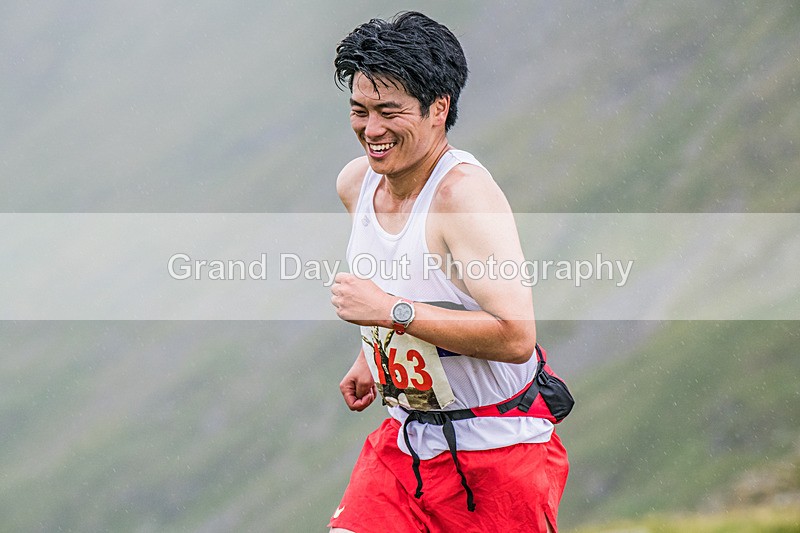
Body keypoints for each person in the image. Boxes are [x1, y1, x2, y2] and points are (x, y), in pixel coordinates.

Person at [328, 11, 568, 533]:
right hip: (405, 444)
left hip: (496, 454)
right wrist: (373, 355)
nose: (371, 130)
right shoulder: (357, 184)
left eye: (389, 112)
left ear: (439, 108)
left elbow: (515, 336)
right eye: (359, 110)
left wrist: (390, 314)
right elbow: (402, 281)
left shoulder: (463, 198)